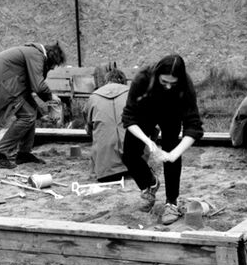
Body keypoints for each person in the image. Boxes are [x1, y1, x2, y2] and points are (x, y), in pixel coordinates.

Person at [122, 54, 204, 225]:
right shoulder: (142, 79)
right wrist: (148, 140)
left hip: (171, 113)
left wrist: (174, 153)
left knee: (171, 149)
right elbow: (129, 118)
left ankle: (171, 203)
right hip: (145, 111)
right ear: (157, 75)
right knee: (129, 154)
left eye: (172, 84)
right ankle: (149, 183)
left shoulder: (185, 85)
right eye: (164, 82)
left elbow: (194, 126)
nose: (168, 87)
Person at [0, 42, 65, 168]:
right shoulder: (36, 55)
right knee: (27, 116)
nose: (53, 68)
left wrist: (41, 114)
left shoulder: (32, 53)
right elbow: (38, 86)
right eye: (54, 65)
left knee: (30, 112)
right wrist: (52, 97)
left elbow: (26, 90)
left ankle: (24, 154)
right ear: (51, 58)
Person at [83, 66, 130, 183]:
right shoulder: (132, 93)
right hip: (135, 164)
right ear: (124, 81)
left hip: (105, 170)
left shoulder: (93, 97)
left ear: (106, 81)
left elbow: (89, 129)